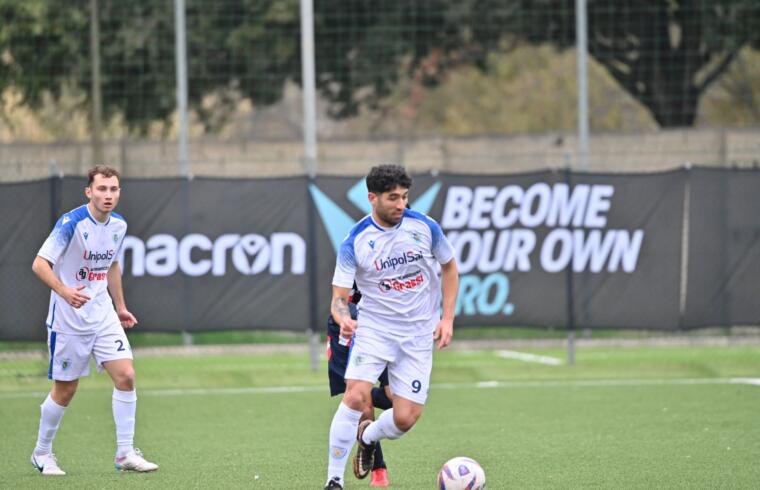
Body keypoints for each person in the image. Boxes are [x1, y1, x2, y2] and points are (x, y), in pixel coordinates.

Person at [324, 164, 459, 490]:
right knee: (355, 396)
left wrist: (447, 318)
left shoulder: (425, 227)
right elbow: (339, 298)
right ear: (372, 198)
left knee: (404, 419)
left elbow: (450, 267)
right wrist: (344, 318)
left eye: (404, 197)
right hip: (374, 330)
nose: (401, 204)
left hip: (416, 335)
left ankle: (368, 438)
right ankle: (334, 480)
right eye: (393, 197)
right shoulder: (355, 241)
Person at [29, 165, 158, 476]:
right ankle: (42, 453)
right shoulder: (70, 224)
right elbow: (39, 264)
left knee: (126, 375)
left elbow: (112, 266)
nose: (108, 195)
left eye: (113, 189)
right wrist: (64, 291)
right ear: (89, 191)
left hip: (102, 315)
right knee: (66, 390)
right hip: (68, 319)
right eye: (102, 189)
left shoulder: (119, 225)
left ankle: (125, 453)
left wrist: (120, 307)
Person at [326, 283, 393, 487]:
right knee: (360, 402)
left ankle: (364, 398)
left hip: (387, 328)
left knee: (395, 399)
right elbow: (339, 297)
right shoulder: (355, 252)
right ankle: (378, 470)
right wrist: (345, 319)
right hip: (348, 327)